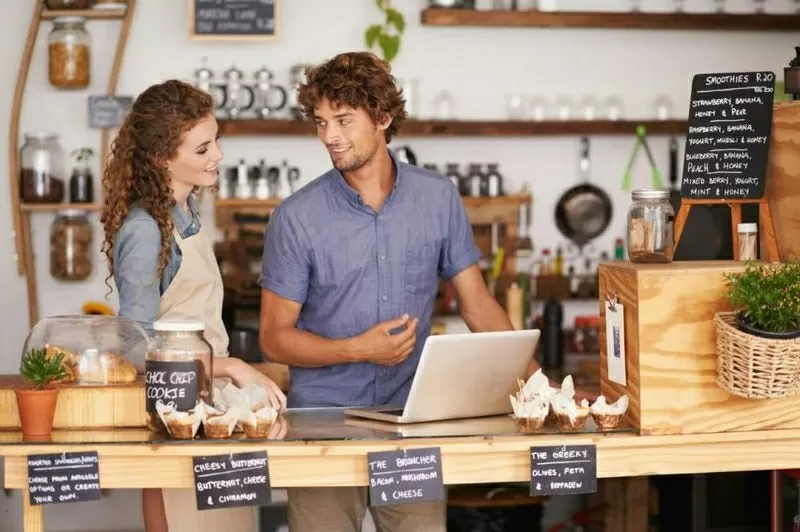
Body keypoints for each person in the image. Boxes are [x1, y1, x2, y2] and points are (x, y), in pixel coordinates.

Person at [258, 51, 566, 532]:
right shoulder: (296, 217)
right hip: (321, 425)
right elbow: (275, 338)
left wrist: (538, 384)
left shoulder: (437, 197)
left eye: (343, 120)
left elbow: (477, 303)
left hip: (412, 420)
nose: (329, 137)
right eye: (320, 122)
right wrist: (357, 348)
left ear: (383, 117)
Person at [101, 79, 287, 532]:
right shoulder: (146, 230)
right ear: (164, 157)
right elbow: (134, 346)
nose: (218, 155)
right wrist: (230, 366)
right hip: (179, 417)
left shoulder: (185, 216)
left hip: (211, 412)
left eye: (216, 140)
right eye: (203, 149)